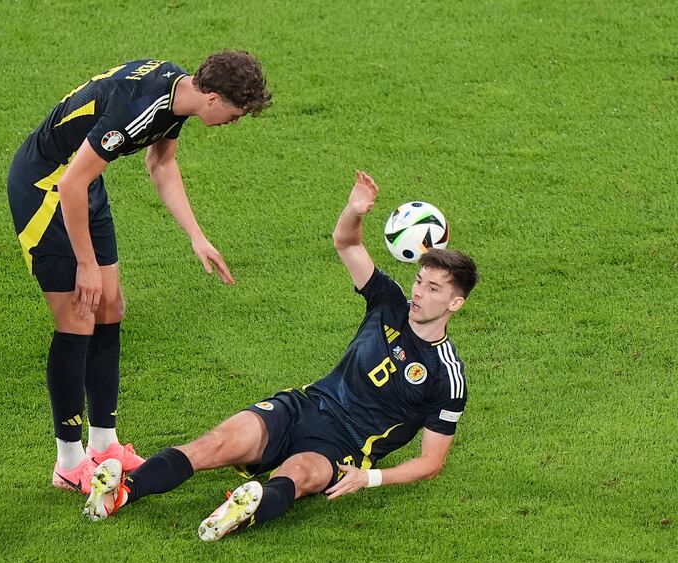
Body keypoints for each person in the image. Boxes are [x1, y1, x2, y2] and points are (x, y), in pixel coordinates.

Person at [82, 171, 479, 540]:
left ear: (455, 303)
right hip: (304, 406)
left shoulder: (447, 376)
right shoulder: (388, 302)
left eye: (433, 289)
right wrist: (354, 210)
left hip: (345, 446)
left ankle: (245, 506)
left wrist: (369, 478)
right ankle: (121, 493)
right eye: (419, 281)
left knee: (299, 475)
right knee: (216, 443)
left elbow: (431, 462)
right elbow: (347, 242)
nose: (419, 294)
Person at [7, 52, 272, 494]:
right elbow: (69, 183)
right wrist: (86, 265)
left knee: (111, 307)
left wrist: (196, 236)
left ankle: (105, 445)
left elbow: (161, 164)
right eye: (235, 113)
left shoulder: (177, 95)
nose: (235, 121)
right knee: (78, 315)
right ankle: (68, 463)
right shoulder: (137, 107)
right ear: (211, 98)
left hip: (82, 183)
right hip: (46, 186)